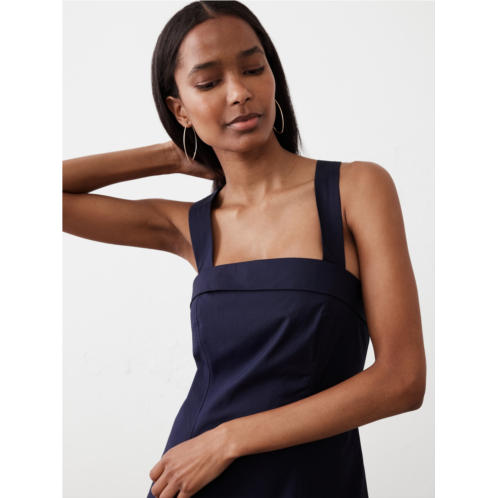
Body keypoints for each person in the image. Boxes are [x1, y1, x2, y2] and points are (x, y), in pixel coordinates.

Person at [62, 1, 427, 497]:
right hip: (193, 483)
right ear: (179, 108)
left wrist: (227, 440)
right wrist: (171, 153)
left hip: (309, 482)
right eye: (209, 82)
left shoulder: (355, 189)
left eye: (254, 69)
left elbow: (402, 380)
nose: (239, 92)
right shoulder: (191, 226)